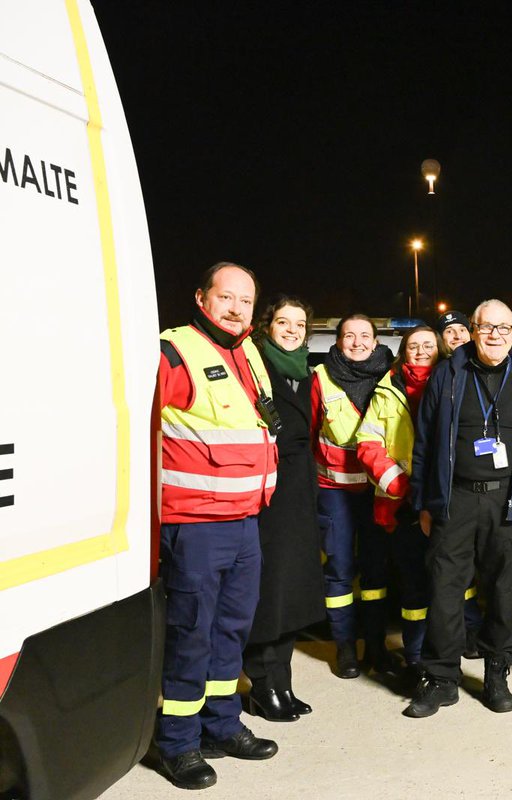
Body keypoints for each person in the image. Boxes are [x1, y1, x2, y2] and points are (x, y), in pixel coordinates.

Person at [155, 262, 279, 790]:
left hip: (245, 520)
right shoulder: (173, 352)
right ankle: (177, 743)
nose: (236, 308)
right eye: (226, 297)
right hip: (196, 525)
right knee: (192, 633)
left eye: (245, 301)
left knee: (231, 629)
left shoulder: (247, 350)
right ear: (201, 298)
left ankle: (221, 725)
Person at [404, 300, 512, 718]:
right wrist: (424, 501)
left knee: (503, 591)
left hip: (508, 500)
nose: (495, 335)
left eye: (504, 328)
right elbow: (424, 441)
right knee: (444, 590)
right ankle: (441, 678)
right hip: (454, 498)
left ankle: (496, 672)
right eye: (487, 327)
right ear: (472, 330)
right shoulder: (448, 375)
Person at [243, 296, 325, 723]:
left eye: (299, 324)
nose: (292, 330)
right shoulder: (257, 366)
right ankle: (262, 684)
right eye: (283, 322)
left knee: (293, 588)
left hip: (299, 488)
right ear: (268, 326)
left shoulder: (305, 372)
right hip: (270, 489)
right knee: (270, 589)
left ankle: (283, 680)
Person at [355, 325, 440, 684]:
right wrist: (400, 485)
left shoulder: (453, 381)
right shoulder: (387, 389)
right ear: (404, 351)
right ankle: (416, 657)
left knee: (446, 582)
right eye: (414, 346)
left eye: (428, 345)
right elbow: (368, 442)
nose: (420, 351)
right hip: (402, 503)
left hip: (442, 502)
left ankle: (444, 652)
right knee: (413, 584)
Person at [311, 314, 392, 678]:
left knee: (376, 571)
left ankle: (376, 645)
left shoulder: (389, 375)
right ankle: (345, 646)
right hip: (335, 492)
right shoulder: (321, 378)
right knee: (340, 572)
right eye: (349, 336)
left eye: (364, 336)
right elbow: (309, 434)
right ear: (338, 341)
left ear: (375, 343)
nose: (357, 342)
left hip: (378, 492)